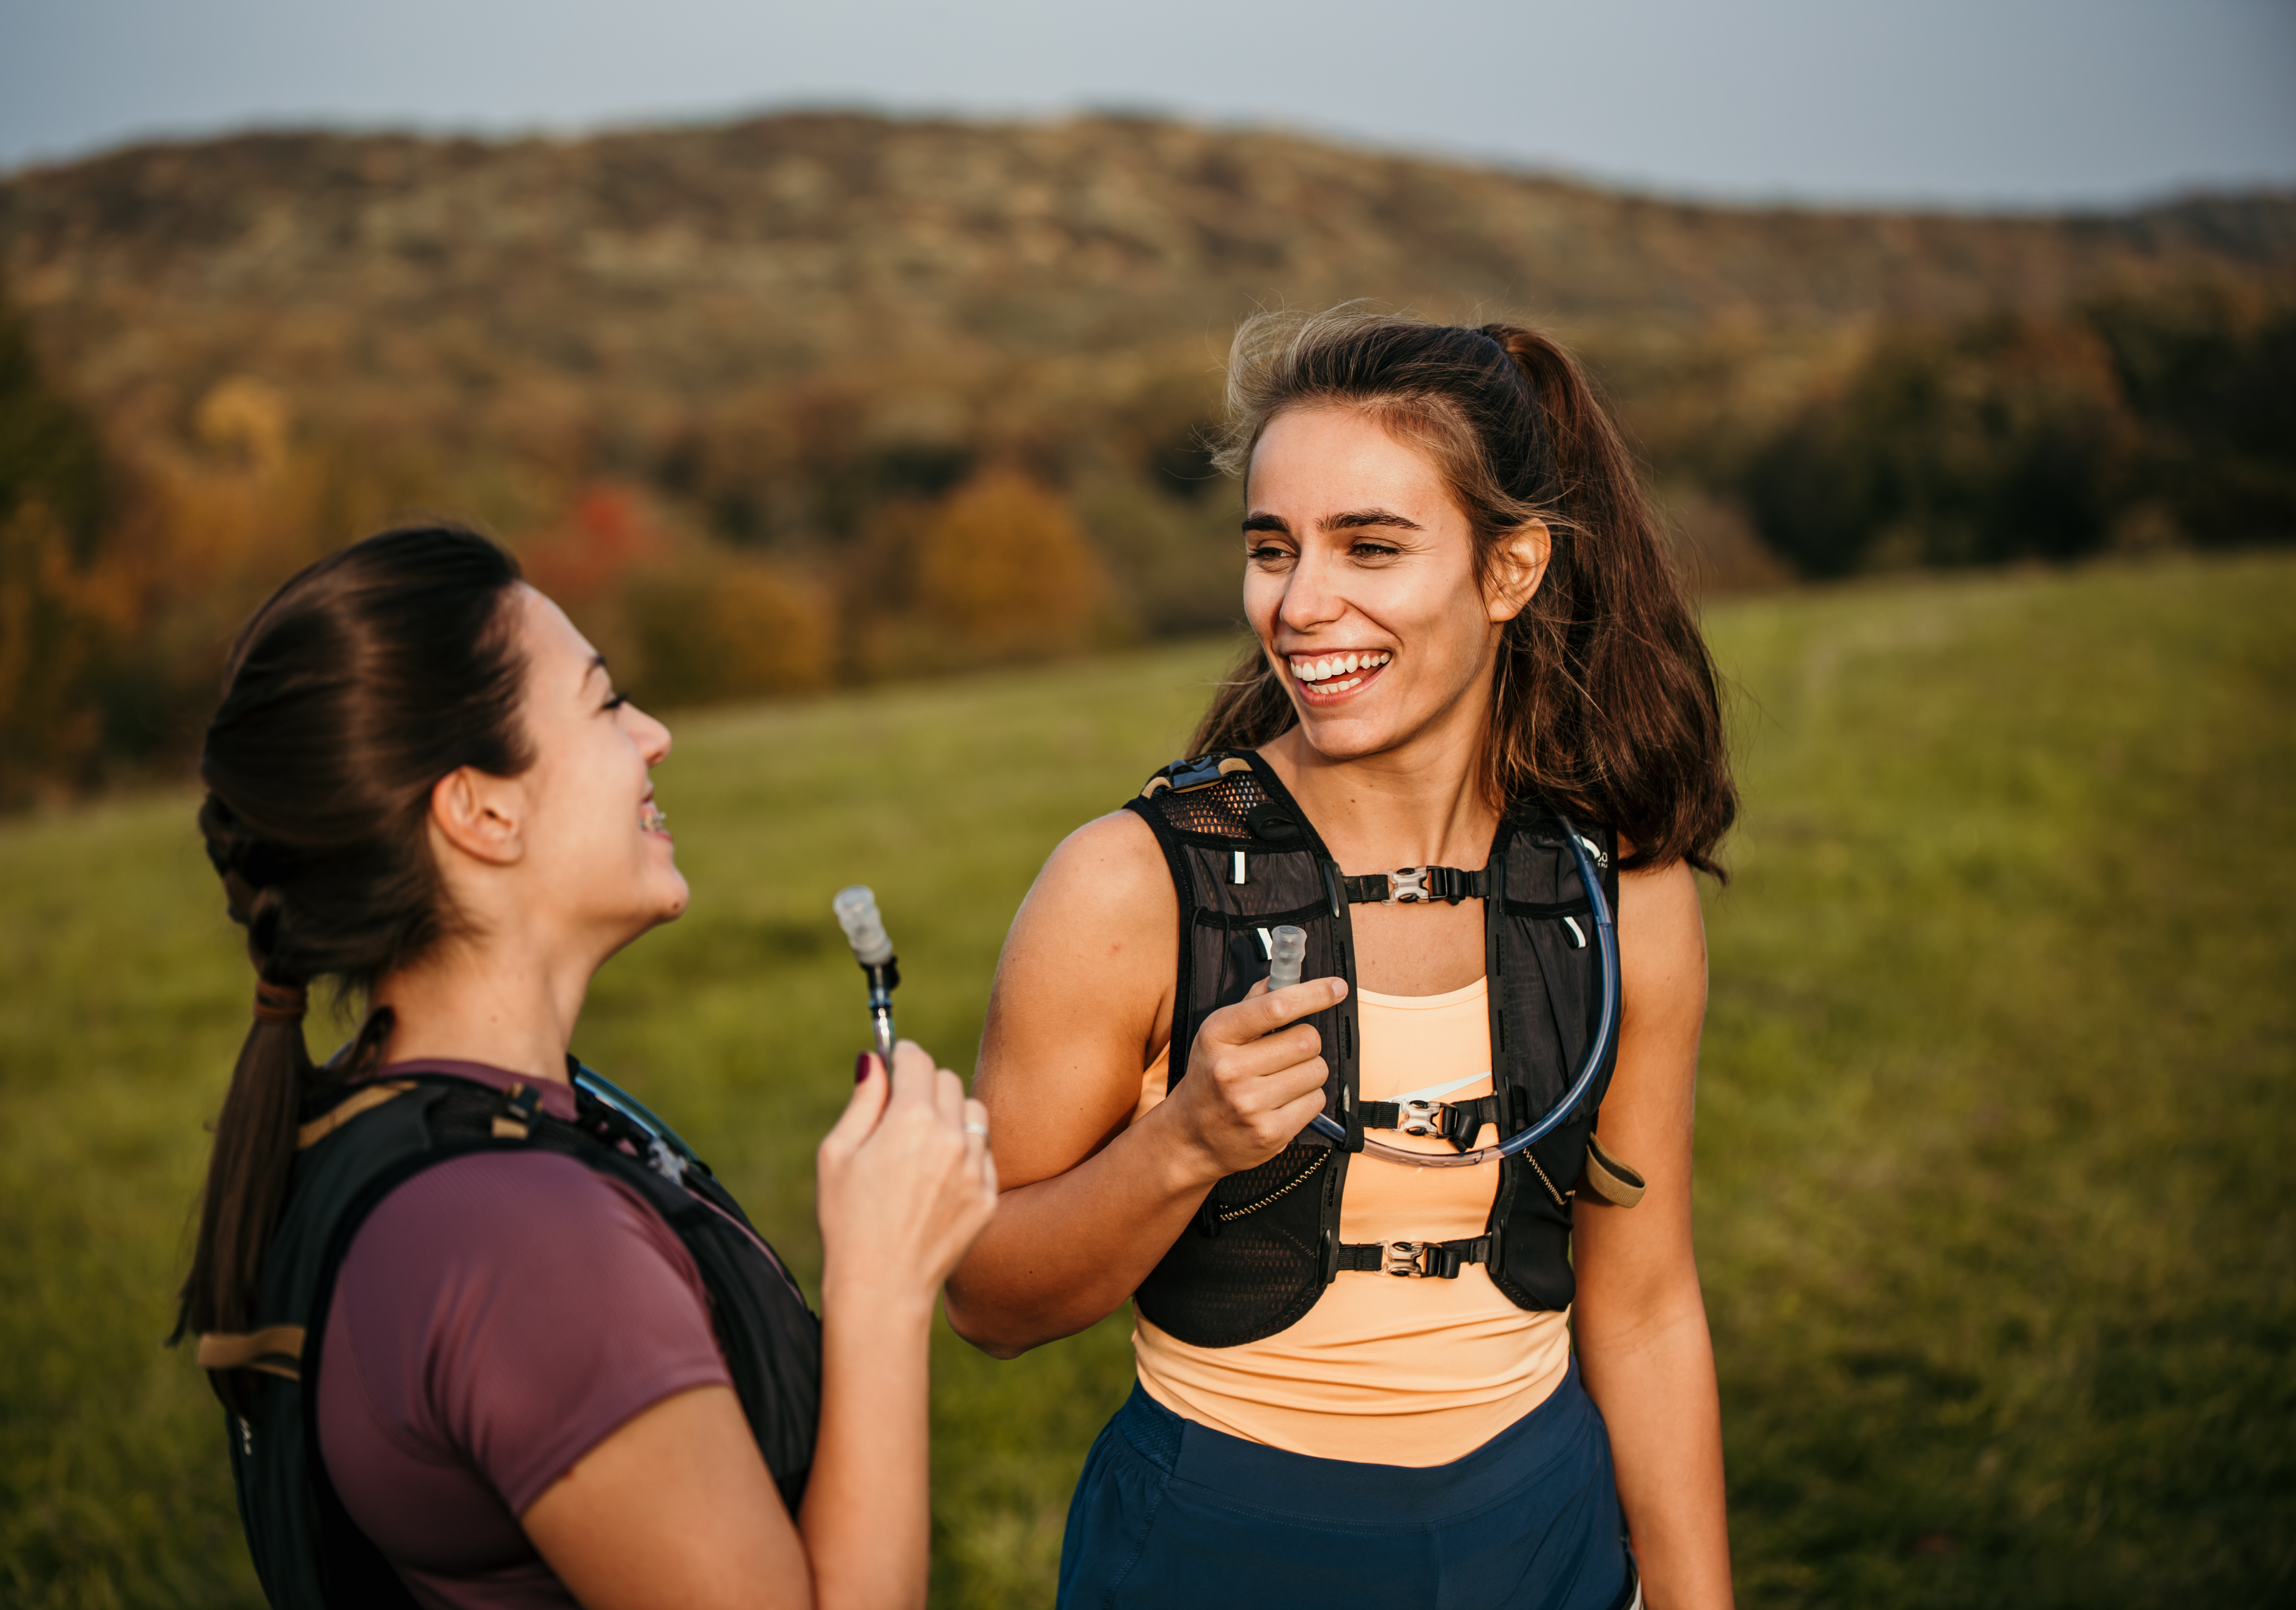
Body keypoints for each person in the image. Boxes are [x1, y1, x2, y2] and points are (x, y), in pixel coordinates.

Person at [946, 310, 1738, 1610]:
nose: (1303, 605)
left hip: (1543, 1541)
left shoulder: (1618, 890)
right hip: (1218, 1551)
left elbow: (1646, 1309)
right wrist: (1184, 1143)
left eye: (1370, 545)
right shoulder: (1129, 883)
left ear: (1511, 570)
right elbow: (988, 1297)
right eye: (1274, 548)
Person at [175, 524, 998, 1610]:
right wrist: (884, 1284)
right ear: (481, 810)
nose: (654, 736)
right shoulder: (523, 1246)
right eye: (606, 703)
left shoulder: (427, 1131)